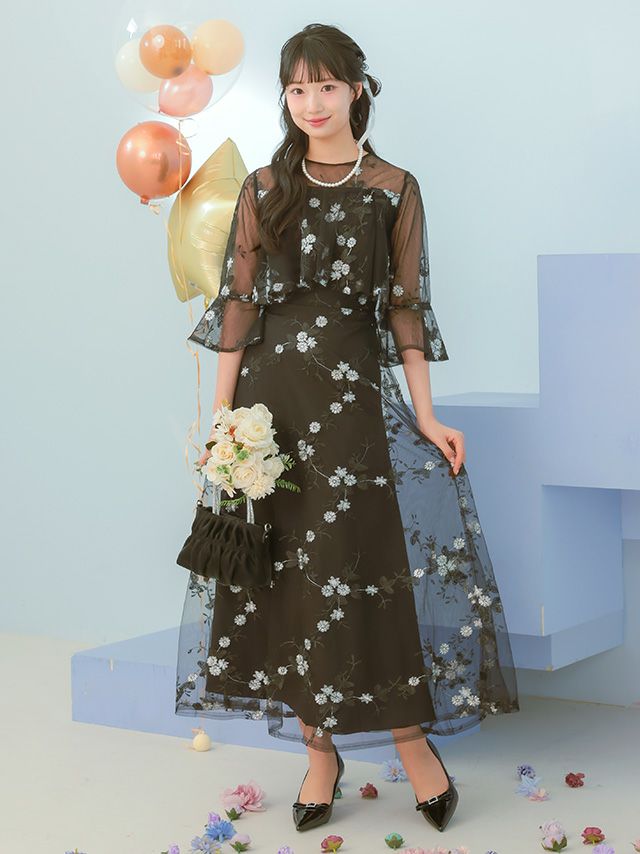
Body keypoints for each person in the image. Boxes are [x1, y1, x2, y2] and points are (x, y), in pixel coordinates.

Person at [175, 22, 520, 833]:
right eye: (297, 89)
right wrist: (223, 423)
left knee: (365, 568)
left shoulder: (394, 187)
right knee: (288, 577)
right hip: (269, 409)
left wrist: (426, 413)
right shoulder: (265, 187)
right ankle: (319, 755)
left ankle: (411, 745)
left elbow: (406, 307)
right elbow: (238, 304)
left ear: (356, 90)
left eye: (326, 86)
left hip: (351, 404)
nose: (312, 103)